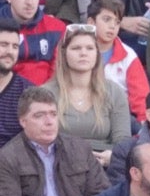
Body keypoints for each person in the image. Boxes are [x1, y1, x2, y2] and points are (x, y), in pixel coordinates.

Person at [44, 23, 130, 164]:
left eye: (90, 48)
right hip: (58, 165)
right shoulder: (45, 94)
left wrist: (112, 157)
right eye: (76, 48)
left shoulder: (115, 92)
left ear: (97, 54)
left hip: (103, 168)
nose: (83, 53)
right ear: (64, 53)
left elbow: (123, 142)